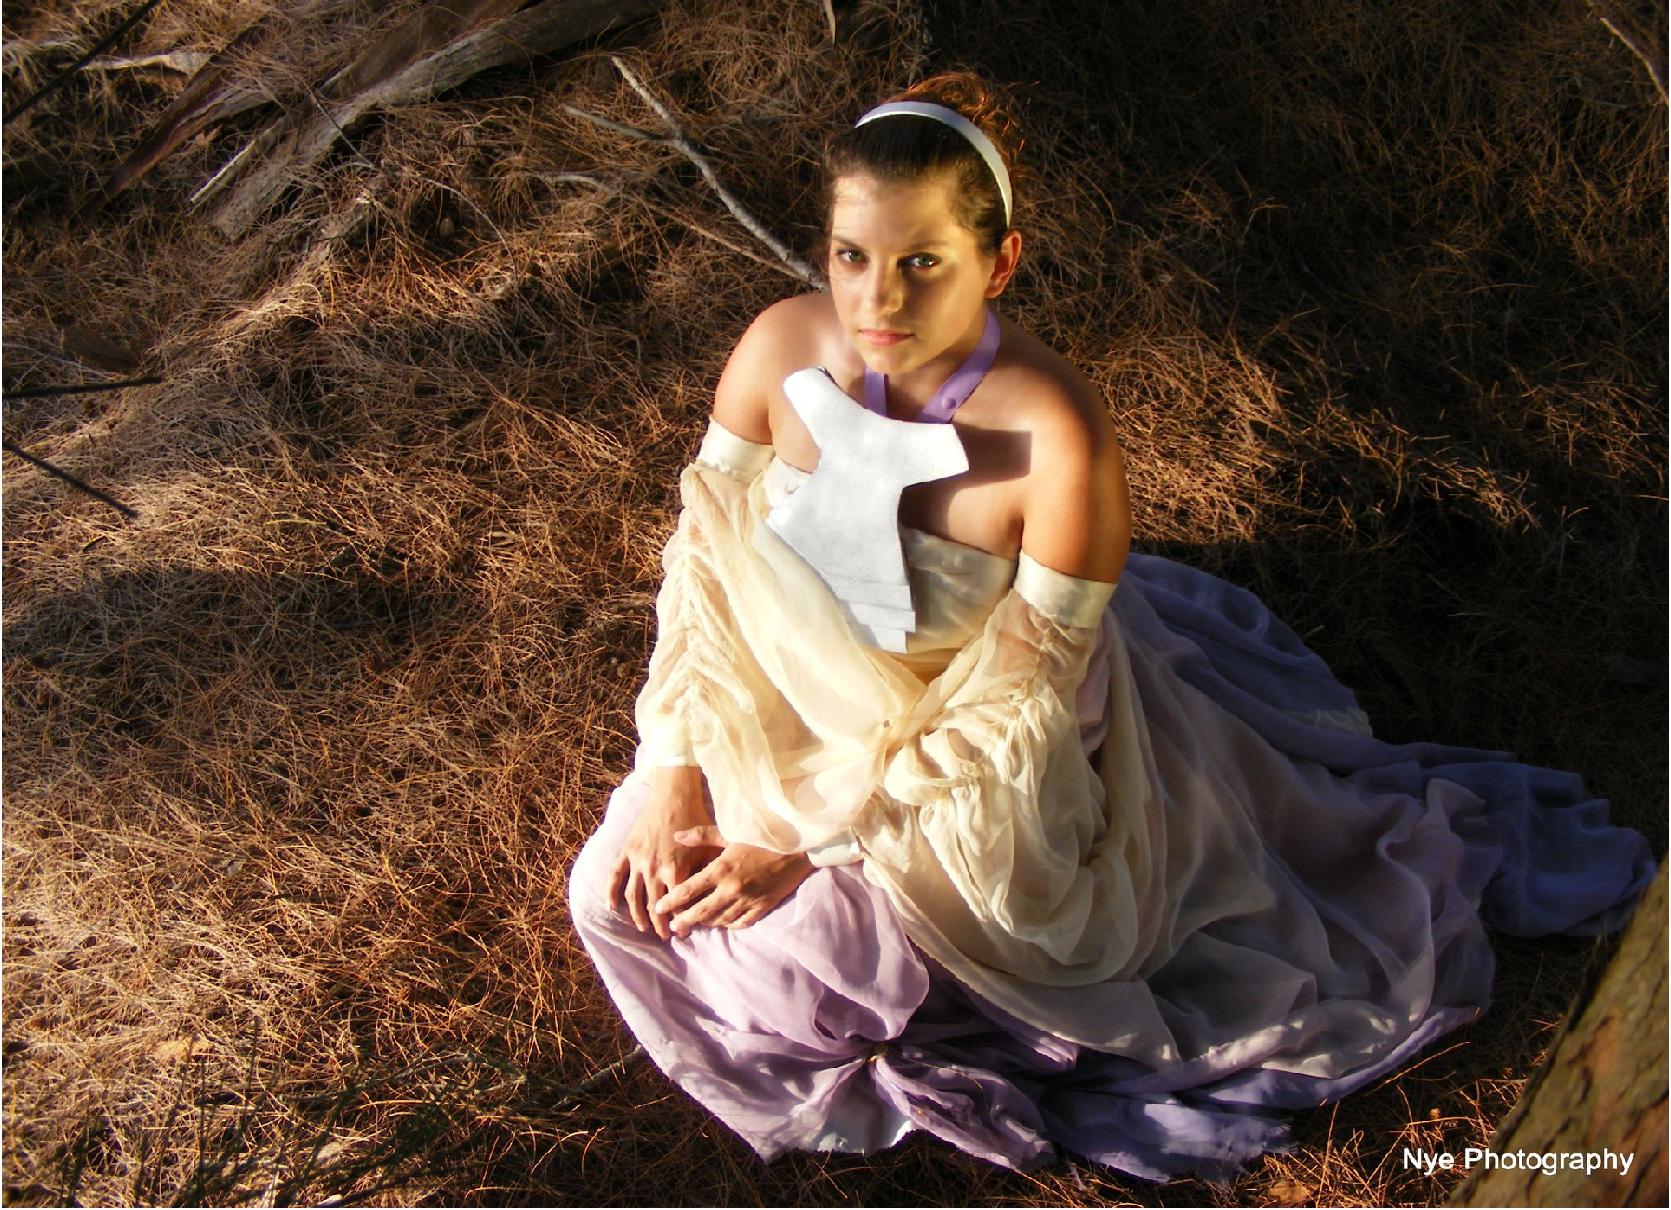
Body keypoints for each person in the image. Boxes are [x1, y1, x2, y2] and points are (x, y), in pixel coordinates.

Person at [567, 72, 1652, 1181]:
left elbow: (1012, 709)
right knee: (616, 895)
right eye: (852, 256)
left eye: (922, 262)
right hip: (783, 709)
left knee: (808, 967)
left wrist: (810, 844)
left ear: (1000, 263)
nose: (875, 301)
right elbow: (703, 565)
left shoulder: (1057, 434)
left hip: (961, 773)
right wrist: (677, 767)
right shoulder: (776, 344)